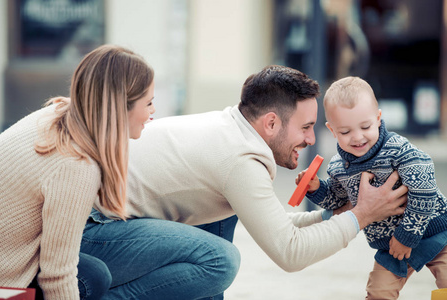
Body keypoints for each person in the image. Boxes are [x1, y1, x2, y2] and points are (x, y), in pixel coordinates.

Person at [81, 65, 408, 299]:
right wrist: (361, 215)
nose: (311, 139)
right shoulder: (239, 160)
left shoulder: (230, 129)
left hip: (110, 224)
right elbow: (290, 252)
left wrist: (332, 216)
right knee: (220, 260)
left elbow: (274, 226)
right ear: (270, 123)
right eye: (306, 127)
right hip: (92, 233)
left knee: (222, 216)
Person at [0, 44, 156, 300]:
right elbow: (56, 275)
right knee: (91, 278)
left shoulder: (57, 112)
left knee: (92, 271)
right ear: (119, 107)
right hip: (4, 290)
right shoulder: (76, 165)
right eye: (148, 102)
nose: (152, 112)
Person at [297, 76, 447, 299]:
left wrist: (407, 235)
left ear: (378, 118)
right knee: (378, 292)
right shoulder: (338, 166)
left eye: (365, 126)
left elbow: (424, 191)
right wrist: (317, 188)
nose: (357, 137)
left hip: (433, 230)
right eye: (345, 132)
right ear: (331, 130)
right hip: (390, 247)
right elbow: (338, 201)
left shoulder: (399, 150)